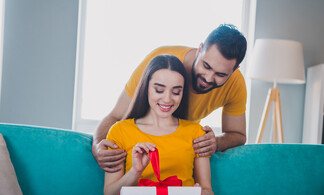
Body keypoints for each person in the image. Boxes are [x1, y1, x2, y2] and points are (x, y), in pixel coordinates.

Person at [94, 24, 247, 173]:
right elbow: (115, 116)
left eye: (220, 75)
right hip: (138, 147)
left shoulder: (236, 84)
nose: (208, 78)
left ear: (234, 70)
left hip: (179, 150)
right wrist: (97, 147)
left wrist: (217, 143)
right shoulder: (157, 63)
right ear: (199, 49)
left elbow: (238, 135)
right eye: (206, 66)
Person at [103, 54, 214, 195]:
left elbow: (208, 192)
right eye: (159, 90)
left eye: (176, 92)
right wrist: (135, 171)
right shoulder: (120, 130)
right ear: (146, 87)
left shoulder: (196, 133)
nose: (167, 99)